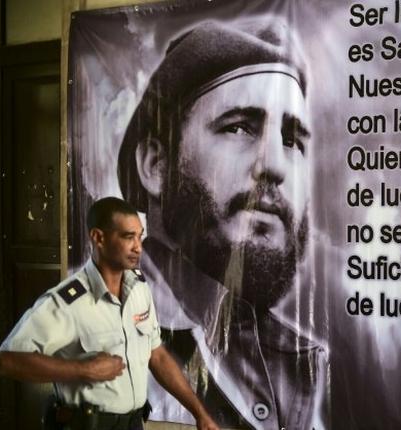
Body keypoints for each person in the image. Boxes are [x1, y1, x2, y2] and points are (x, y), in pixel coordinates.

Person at [116, 16, 327, 430]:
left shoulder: (301, 358)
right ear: (158, 166)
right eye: (239, 127)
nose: (275, 166)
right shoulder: (110, 333)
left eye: (292, 139)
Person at [0, 197, 219, 430]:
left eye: (140, 236)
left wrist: (199, 412)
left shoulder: (139, 289)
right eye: (128, 237)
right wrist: (83, 370)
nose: (138, 247)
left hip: (132, 424)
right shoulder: (66, 302)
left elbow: (158, 355)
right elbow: (7, 361)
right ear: (98, 238)